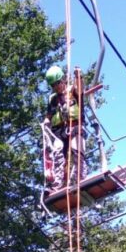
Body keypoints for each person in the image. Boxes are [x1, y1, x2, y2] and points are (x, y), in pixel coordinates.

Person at [43, 65, 88, 193]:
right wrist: (46, 122)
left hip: (74, 126)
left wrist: (78, 76)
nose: (56, 87)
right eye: (53, 85)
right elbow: (49, 114)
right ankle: (57, 185)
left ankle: (79, 179)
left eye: (57, 83)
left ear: (62, 80)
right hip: (59, 131)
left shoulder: (72, 91)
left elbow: (79, 90)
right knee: (58, 157)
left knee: (76, 151)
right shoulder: (53, 99)